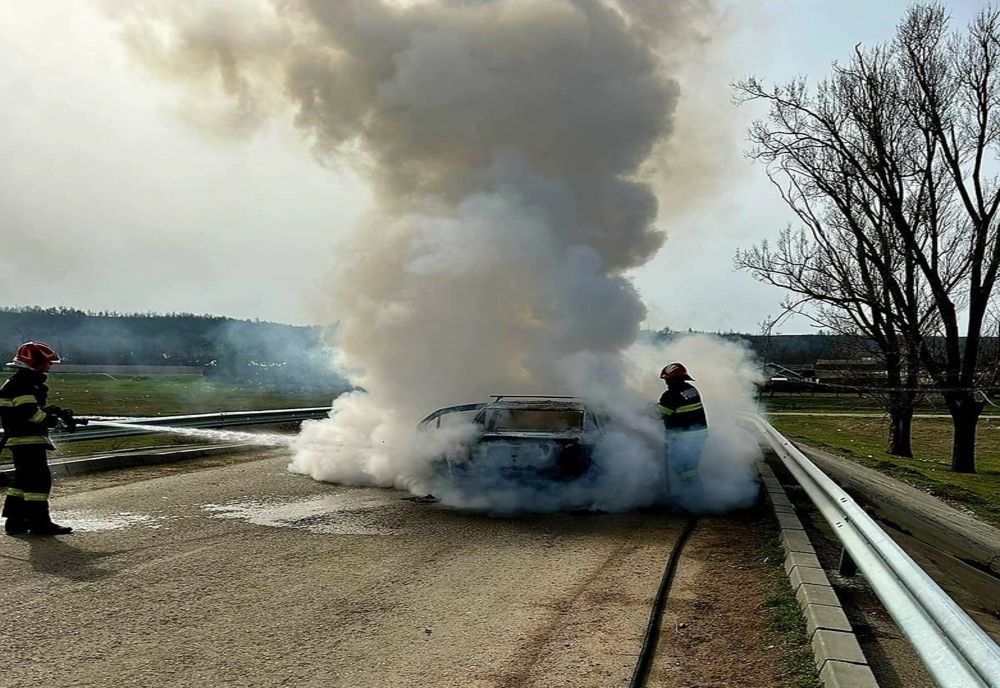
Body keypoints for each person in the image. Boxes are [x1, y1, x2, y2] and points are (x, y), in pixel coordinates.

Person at [1, 342, 73, 536]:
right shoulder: (23, 384)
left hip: (22, 439)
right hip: (27, 440)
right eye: (47, 363)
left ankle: (15, 522)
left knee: (23, 480)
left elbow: (29, 410)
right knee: (39, 482)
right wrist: (53, 420)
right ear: (35, 362)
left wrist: (54, 412)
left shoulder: (20, 382)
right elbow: (31, 414)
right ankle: (40, 523)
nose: (50, 367)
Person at [656, 362, 708, 496]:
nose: (666, 383)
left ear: (673, 379)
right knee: (690, 468)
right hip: (699, 435)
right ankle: (693, 495)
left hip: (685, 438)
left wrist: (648, 410)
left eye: (667, 380)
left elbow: (659, 414)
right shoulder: (691, 389)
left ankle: (696, 497)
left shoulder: (670, 394)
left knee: (683, 468)